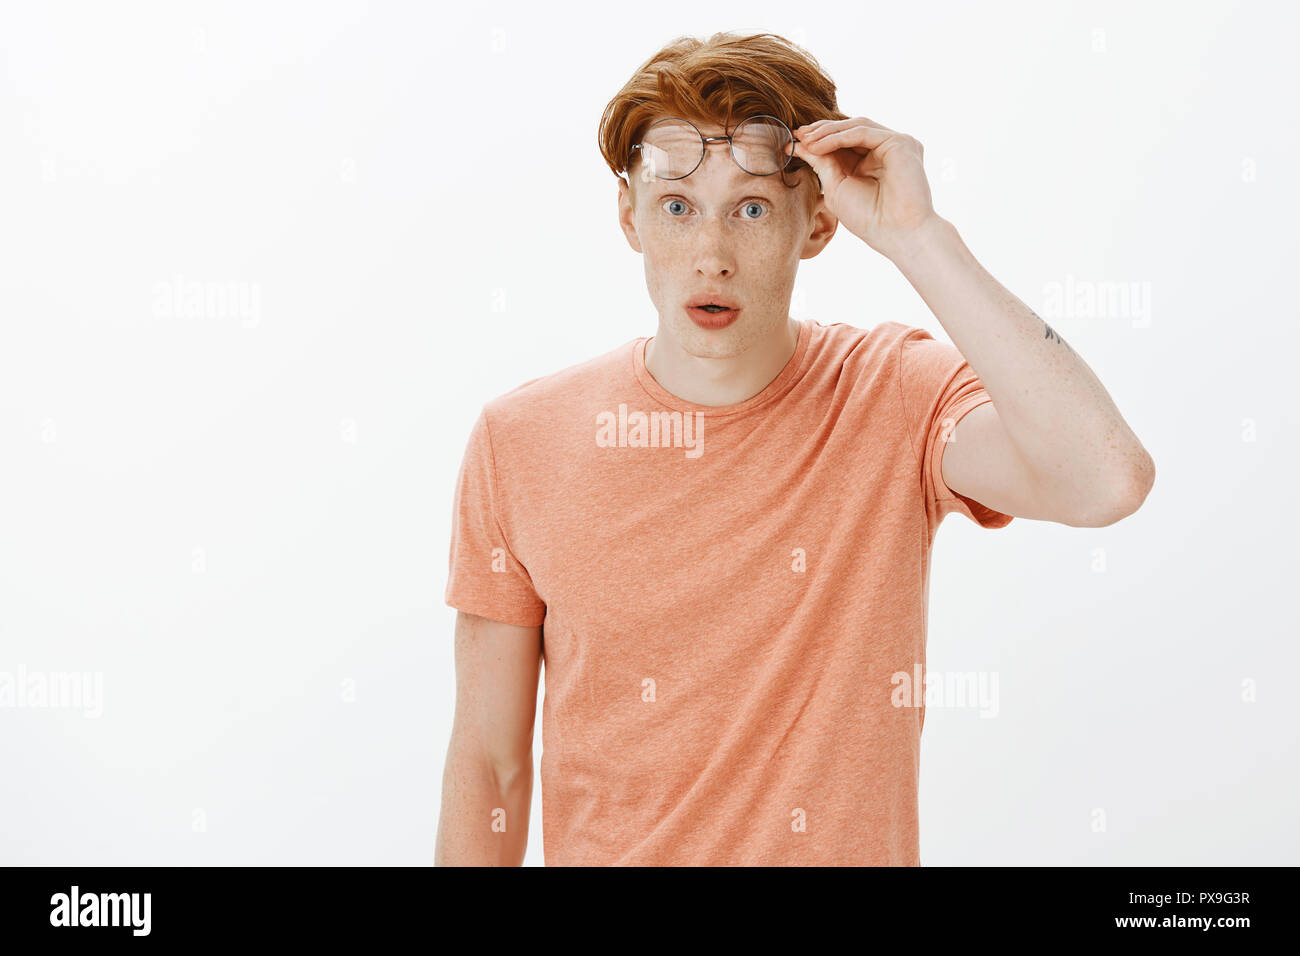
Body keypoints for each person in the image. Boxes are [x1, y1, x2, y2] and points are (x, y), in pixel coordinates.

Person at [435, 32, 1154, 866]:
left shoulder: (894, 393)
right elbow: (489, 767)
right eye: (677, 207)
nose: (711, 256)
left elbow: (1107, 478)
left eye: (751, 209)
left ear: (817, 222)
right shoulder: (520, 441)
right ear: (629, 215)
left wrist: (919, 236)